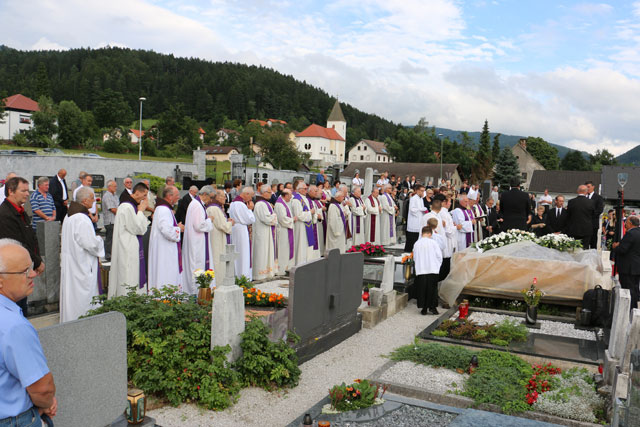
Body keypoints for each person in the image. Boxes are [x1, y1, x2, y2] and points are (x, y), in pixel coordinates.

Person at [0, 239, 57, 426]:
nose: (33, 274)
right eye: (25, 271)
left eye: (31, 267)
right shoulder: (13, 326)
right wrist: (45, 404)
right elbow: (43, 389)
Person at [0, 177, 45, 315]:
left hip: (23, 270)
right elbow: (18, 243)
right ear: (11, 191)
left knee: (21, 307)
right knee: (16, 311)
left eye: (28, 190)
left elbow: (30, 236)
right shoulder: (5, 214)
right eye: (23, 190)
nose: (27, 194)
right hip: (13, 275)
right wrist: (37, 262)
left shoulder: (20, 211)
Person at [60, 187, 105, 322]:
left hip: (72, 263)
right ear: (85, 201)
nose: (94, 201)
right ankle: (83, 325)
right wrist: (99, 240)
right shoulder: (81, 218)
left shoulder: (69, 216)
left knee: (72, 297)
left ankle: (70, 322)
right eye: (92, 198)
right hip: (81, 266)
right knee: (82, 298)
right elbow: (90, 244)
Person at [108, 182, 150, 297]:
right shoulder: (127, 207)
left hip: (130, 246)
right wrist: (141, 211)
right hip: (127, 248)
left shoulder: (129, 206)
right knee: (128, 275)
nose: (145, 198)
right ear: (137, 192)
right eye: (144, 195)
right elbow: (137, 228)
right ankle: (127, 301)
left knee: (133, 275)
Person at [148, 186, 184, 291]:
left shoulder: (162, 208)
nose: (178, 197)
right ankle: (166, 297)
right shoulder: (164, 210)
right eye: (177, 195)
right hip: (165, 251)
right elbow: (167, 231)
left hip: (164, 248)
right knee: (166, 273)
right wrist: (179, 229)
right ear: (169, 196)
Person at [181, 186, 215, 294]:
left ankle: (198, 292)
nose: (211, 200)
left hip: (197, 240)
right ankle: (195, 293)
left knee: (197, 265)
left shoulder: (197, 204)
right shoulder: (197, 206)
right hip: (196, 242)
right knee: (196, 266)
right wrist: (209, 220)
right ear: (204, 194)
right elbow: (199, 226)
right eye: (210, 197)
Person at [413, 224, 443, 315]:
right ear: (430, 234)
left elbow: (415, 257)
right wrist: (437, 266)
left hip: (421, 269)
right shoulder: (433, 243)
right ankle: (433, 308)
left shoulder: (417, 243)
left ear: (422, 234)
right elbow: (439, 256)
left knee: (422, 289)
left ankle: (424, 308)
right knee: (432, 289)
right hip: (432, 269)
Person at [612, 216, 640, 308]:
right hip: (636, 267)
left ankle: (629, 308)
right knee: (635, 289)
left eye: (626, 222)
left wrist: (616, 247)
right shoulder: (638, 233)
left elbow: (623, 249)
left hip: (628, 267)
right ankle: (634, 308)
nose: (625, 224)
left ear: (631, 223)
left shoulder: (630, 234)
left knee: (628, 290)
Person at [252, 184, 278, 281]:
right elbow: (266, 218)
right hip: (262, 232)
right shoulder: (260, 204)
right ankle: (260, 274)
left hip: (267, 232)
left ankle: (267, 272)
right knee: (262, 252)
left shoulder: (265, 203)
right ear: (263, 193)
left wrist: (273, 216)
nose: (271, 194)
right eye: (269, 192)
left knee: (267, 251)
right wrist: (275, 216)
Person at [229, 187, 255, 279]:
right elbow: (250, 219)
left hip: (234, 228)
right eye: (251, 196)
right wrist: (250, 209)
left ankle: (237, 273)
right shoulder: (241, 205)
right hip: (241, 230)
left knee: (237, 252)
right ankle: (243, 276)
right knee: (243, 253)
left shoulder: (233, 203)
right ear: (246, 194)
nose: (251, 199)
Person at [207, 189, 234, 281]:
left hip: (217, 236)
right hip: (217, 238)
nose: (225, 198)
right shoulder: (214, 208)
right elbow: (223, 226)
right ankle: (219, 283)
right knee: (218, 260)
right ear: (217, 196)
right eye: (223, 196)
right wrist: (230, 223)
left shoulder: (215, 207)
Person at [292, 181, 315, 265]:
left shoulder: (304, 199)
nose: (306, 190)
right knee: (301, 246)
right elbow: (299, 215)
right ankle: (300, 263)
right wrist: (310, 213)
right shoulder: (296, 200)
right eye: (305, 189)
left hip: (306, 225)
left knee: (306, 245)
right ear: (299, 190)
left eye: (307, 188)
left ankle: (306, 263)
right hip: (300, 226)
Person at [566, 185, 595, 249]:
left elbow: (568, 215)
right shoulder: (591, 202)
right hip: (586, 230)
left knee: (572, 249)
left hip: (573, 229)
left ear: (578, 191)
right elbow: (593, 215)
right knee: (585, 249)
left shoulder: (571, 202)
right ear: (586, 192)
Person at [275, 189, 295, 276]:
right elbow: (282, 219)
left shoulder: (284, 203)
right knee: (282, 250)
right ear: (286, 195)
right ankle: (281, 269)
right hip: (282, 230)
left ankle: (286, 267)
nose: (291, 197)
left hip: (287, 230)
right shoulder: (279, 204)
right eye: (290, 195)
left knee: (286, 249)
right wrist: (293, 219)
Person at [405, 185, 428, 252]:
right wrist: (421, 209)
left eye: (424, 191)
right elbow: (412, 209)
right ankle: (408, 252)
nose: (423, 192)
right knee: (412, 239)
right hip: (414, 221)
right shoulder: (414, 198)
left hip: (419, 220)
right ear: (417, 190)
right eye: (421, 191)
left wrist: (424, 211)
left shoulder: (420, 199)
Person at [102, 180, 119, 261]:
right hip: (110, 221)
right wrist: (122, 213)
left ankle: (113, 253)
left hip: (116, 220)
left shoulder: (115, 195)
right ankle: (108, 255)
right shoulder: (107, 196)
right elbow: (112, 209)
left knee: (114, 238)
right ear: (109, 187)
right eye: (114, 186)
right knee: (110, 238)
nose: (116, 188)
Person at [586, 181, 605, 249]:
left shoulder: (598, 198)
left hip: (593, 224)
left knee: (593, 242)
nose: (587, 188)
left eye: (588, 187)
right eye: (586, 187)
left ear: (593, 187)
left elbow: (600, 210)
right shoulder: (583, 197)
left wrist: (589, 216)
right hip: (583, 224)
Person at [307, 185, 324, 259]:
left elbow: (315, 211)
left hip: (315, 223)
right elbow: (310, 212)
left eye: (317, 191)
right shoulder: (307, 200)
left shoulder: (313, 201)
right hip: (311, 224)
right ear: (310, 191)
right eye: (315, 191)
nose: (316, 193)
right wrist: (317, 216)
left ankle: (315, 257)